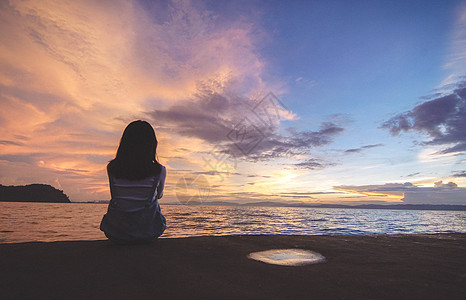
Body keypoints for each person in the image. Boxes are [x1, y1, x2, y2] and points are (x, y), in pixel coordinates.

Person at [100, 120, 167, 244]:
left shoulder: (112, 168)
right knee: (154, 202)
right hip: (148, 232)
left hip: (116, 232)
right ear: (152, 145)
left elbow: (115, 196)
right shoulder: (159, 170)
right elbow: (160, 195)